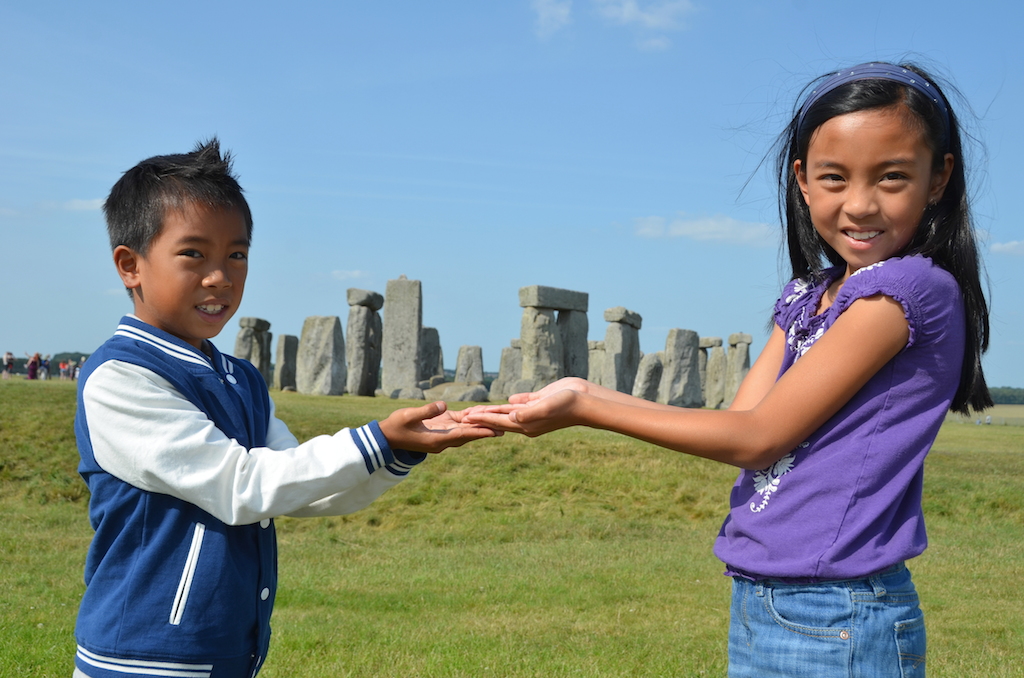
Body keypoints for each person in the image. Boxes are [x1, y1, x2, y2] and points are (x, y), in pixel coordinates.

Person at [467, 62, 991, 677]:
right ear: (801, 180)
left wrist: (587, 410)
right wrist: (582, 390)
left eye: (892, 177)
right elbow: (741, 424)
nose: (859, 204)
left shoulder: (904, 290)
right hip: (767, 599)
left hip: (838, 612)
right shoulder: (808, 295)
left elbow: (759, 438)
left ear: (939, 178)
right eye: (833, 177)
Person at [73, 138, 498, 678]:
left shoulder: (241, 379)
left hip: (225, 655)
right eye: (193, 253)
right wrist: (375, 439)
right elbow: (240, 485)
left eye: (237, 254)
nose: (220, 276)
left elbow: (298, 487)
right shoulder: (121, 377)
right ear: (130, 265)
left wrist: (400, 449)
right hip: (141, 658)